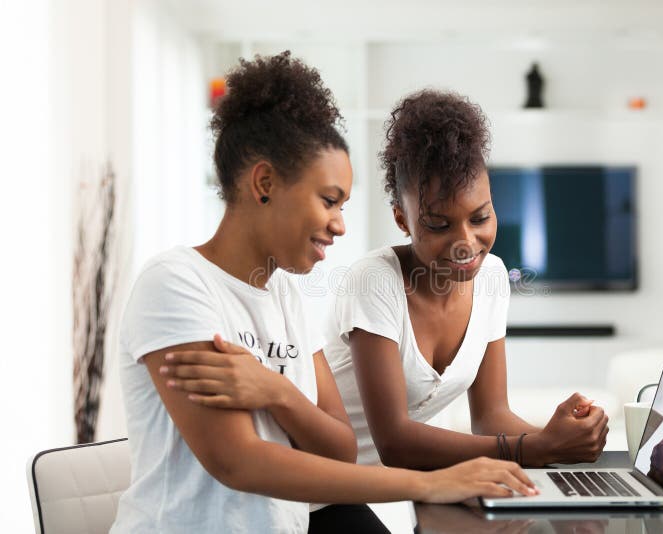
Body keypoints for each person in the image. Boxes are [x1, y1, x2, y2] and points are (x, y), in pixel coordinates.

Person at [110, 53, 536, 534]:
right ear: (265, 183)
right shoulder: (176, 283)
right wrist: (428, 485)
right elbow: (238, 463)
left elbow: (340, 447)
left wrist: (277, 392)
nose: (339, 224)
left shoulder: (285, 295)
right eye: (329, 200)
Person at [319, 89, 609, 469]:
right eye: (439, 224)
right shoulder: (374, 282)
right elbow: (395, 441)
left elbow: (490, 417)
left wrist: (559, 443)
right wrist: (537, 449)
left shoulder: (492, 277)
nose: (466, 243)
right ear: (402, 220)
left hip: (400, 488)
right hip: (323, 489)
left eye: (480, 218)